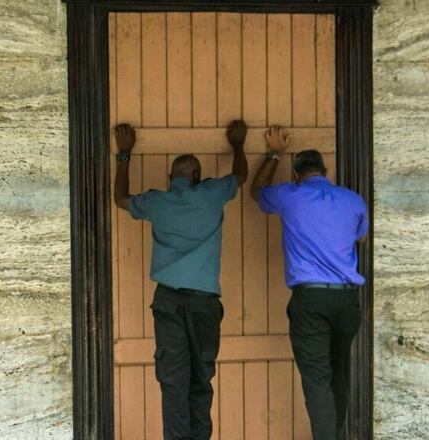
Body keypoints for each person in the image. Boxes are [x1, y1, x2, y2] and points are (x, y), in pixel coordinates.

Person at [113, 120, 248, 440]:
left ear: (170, 178)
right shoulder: (213, 193)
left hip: (170, 302)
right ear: (198, 177)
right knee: (201, 383)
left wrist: (124, 155)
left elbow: (120, 198)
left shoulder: (157, 201)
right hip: (204, 304)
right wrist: (238, 144)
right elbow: (240, 176)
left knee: (174, 385)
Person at [250, 127, 368, 440]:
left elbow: (256, 190)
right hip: (347, 301)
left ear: (297, 173)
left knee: (317, 379)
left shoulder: (291, 195)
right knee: (338, 375)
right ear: (325, 171)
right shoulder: (353, 200)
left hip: (311, 300)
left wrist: (273, 153)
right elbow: (362, 236)